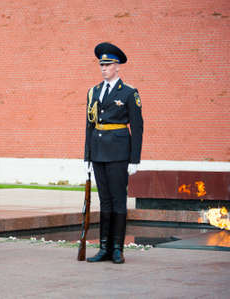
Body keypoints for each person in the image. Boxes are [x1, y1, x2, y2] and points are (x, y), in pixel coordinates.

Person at [84, 42, 143, 264]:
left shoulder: (129, 93)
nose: (104, 68)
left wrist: (134, 159)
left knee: (119, 201)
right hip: (98, 152)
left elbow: (137, 127)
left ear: (117, 66)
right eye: (101, 65)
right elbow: (89, 126)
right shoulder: (94, 92)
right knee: (104, 202)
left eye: (108, 65)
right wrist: (87, 156)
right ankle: (104, 248)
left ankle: (118, 248)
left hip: (119, 152)